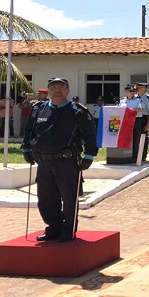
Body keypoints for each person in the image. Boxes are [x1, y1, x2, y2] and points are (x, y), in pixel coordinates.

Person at [21, 77, 98, 243]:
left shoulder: (78, 111)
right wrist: (26, 148)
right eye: (53, 87)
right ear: (48, 90)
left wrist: (90, 155)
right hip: (44, 162)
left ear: (68, 90)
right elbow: (29, 131)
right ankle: (53, 228)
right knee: (46, 199)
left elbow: (90, 134)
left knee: (69, 198)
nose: (57, 90)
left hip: (67, 162)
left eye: (61, 87)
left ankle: (67, 230)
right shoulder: (38, 109)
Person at [134, 82, 149, 162]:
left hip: (144, 118)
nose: (136, 89)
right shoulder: (134, 96)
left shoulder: (148, 98)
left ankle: (143, 155)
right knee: (135, 137)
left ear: (143, 89)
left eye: (138, 88)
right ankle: (134, 155)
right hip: (135, 118)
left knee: (143, 137)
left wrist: (148, 124)